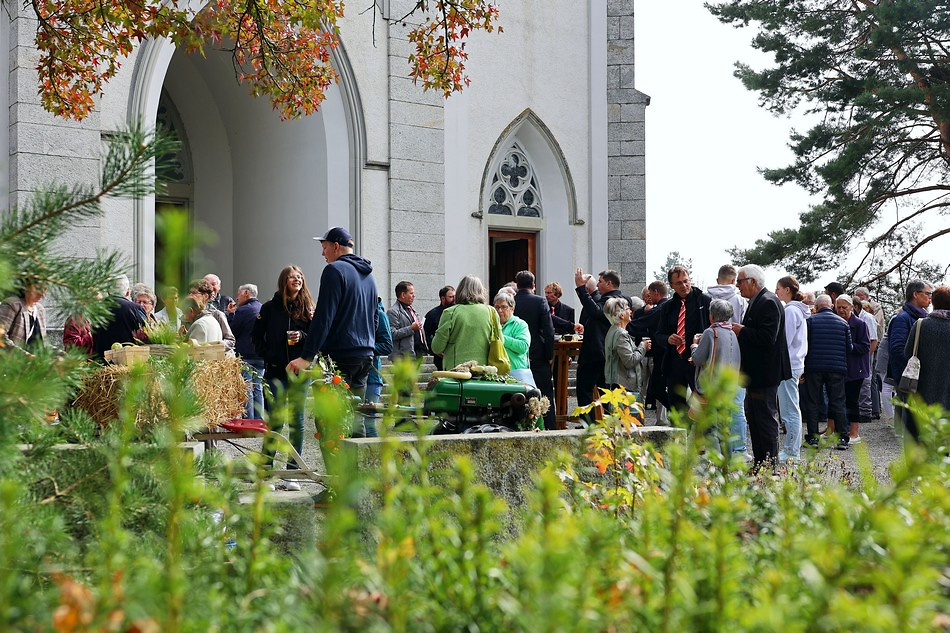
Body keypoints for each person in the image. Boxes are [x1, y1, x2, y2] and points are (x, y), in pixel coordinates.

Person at [287, 227, 379, 438]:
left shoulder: (334, 270)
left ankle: (337, 471)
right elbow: (374, 317)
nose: (323, 253)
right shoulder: (369, 277)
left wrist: (306, 357)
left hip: (340, 355)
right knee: (355, 418)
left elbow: (324, 318)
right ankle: (359, 470)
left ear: (336, 246)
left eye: (324, 247)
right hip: (364, 354)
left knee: (329, 421)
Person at [254, 265, 315, 484]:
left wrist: (303, 336)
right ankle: (266, 470)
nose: (297, 279)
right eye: (292, 277)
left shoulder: (309, 308)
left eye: (299, 277)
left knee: (297, 423)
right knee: (276, 422)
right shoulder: (269, 308)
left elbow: (317, 338)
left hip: (300, 374)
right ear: (284, 281)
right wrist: (268, 355)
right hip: (275, 372)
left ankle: (292, 472)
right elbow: (256, 336)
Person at [732, 265, 792, 466]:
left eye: (740, 281)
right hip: (757, 373)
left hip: (764, 374)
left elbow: (767, 337)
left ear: (753, 282)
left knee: (764, 420)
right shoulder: (759, 301)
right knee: (755, 419)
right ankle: (761, 463)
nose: (737, 285)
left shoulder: (767, 302)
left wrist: (742, 330)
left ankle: (769, 465)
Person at [654, 265, 712, 413]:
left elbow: (713, 330)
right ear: (672, 285)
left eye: (686, 281)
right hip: (675, 362)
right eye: (679, 283)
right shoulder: (668, 307)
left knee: (703, 407)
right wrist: (668, 339)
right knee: (677, 408)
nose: (684, 285)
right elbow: (658, 334)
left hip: (697, 362)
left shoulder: (705, 301)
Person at [801, 294, 852, 450]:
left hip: (814, 367)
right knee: (838, 402)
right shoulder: (843, 323)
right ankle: (842, 437)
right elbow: (849, 348)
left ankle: (813, 438)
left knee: (813, 402)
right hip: (836, 368)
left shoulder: (810, 321)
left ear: (816, 307)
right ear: (831, 306)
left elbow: (804, 345)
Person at [690, 299, 741, 454]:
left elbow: (698, 358)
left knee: (710, 427)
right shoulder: (732, 332)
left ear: (712, 316)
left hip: (711, 387)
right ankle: (728, 461)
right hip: (728, 387)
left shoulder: (711, 332)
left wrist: (694, 345)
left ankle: (718, 464)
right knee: (725, 428)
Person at [573, 268, 626, 417]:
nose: (598, 285)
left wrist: (581, 288)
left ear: (609, 283)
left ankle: (589, 424)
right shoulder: (615, 299)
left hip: (597, 352)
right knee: (605, 391)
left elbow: (597, 312)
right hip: (607, 353)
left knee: (586, 390)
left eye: (600, 282)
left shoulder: (615, 300)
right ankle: (604, 423)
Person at [886, 279, 933, 438]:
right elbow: (897, 349)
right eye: (928, 294)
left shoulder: (923, 316)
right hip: (910, 375)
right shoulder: (903, 318)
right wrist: (913, 369)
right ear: (915, 294)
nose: (930, 298)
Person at [904, 285, 950, 438]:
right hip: (947, 390)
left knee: (917, 435)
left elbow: (907, 353)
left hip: (920, 388)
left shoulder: (920, 325)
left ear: (934, 303)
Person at [513, 270, 555, 429]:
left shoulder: (512, 301)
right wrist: (550, 354)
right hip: (538, 354)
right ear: (533, 285)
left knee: (520, 394)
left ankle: (522, 426)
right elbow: (549, 330)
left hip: (517, 355)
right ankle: (549, 426)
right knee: (544, 394)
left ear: (517, 285)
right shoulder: (540, 301)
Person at [431, 275, 499, 370]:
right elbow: (500, 341)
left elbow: (437, 347)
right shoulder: (491, 311)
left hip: (456, 370)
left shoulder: (450, 312)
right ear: (481, 291)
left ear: (460, 290)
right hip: (484, 370)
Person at [775, 275, 809, 462]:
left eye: (778, 288)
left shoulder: (790, 311)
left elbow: (784, 341)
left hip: (789, 364)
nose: (776, 291)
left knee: (789, 410)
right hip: (795, 363)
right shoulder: (797, 310)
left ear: (787, 290)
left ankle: (791, 451)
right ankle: (791, 449)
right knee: (790, 408)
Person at [836, 295, 872, 444]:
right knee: (839, 400)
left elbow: (865, 346)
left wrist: (849, 346)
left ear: (851, 307)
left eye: (844, 307)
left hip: (855, 369)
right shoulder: (836, 322)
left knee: (852, 401)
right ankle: (841, 431)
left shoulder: (860, 324)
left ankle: (854, 432)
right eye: (838, 307)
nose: (841, 310)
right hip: (840, 367)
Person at [229, 283, 265, 419]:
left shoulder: (243, 311)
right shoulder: (262, 308)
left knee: (247, 388)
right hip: (261, 355)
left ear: (246, 293)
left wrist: (231, 315)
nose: (237, 299)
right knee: (258, 388)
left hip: (246, 354)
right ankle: (259, 419)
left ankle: (249, 420)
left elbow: (233, 332)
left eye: (238, 294)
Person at [92, 274, 148, 359]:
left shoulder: (95, 309)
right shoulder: (136, 309)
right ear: (128, 292)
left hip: (101, 363)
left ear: (108, 291)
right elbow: (146, 335)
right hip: (130, 362)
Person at [603, 297, 649, 395]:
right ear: (621, 315)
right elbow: (629, 361)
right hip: (623, 386)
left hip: (616, 382)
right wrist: (642, 347)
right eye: (628, 309)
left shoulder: (612, 330)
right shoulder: (621, 334)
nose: (631, 311)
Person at [493, 292, 534, 387]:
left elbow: (523, 347)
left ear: (512, 308)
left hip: (516, 374)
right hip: (495, 374)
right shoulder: (491, 324)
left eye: (503, 307)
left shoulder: (520, 324)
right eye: (497, 307)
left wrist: (501, 338)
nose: (499, 310)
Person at [366, 297, 394, 430]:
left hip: (372, 376)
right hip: (354, 373)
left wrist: (364, 349)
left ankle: (374, 451)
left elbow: (387, 346)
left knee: (369, 423)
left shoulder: (380, 314)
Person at [189, 279, 236, 352]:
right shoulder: (187, 312)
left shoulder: (217, 315)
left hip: (213, 359)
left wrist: (214, 347)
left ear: (206, 296)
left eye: (194, 293)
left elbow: (230, 340)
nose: (191, 296)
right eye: (190, 293)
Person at [0, 281, 48, 350]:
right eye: (39, 288)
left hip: (37, 359)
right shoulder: (13, 304)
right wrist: (25, 355)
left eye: (45, 289)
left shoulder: (40, 309)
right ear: (26, 286)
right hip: (15, 359)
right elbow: (1, 337)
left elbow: (45, 344)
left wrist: (62, 354)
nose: (42, 294)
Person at [388, 280, 426, 361]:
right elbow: (392, 333)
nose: (414, 296)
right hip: (402, 357)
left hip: (417, 354)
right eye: (411, 293)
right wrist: (411, 328)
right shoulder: (393, 311)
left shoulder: (411, 310)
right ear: (403, 294)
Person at [423, 285, 455, 370]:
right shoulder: (432, 314)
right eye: (451, 297)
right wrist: (436, 351)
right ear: (443, 298)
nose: (454, 299)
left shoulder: (457, 312)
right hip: (438, 357)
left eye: (455, 296)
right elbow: (425, 334)